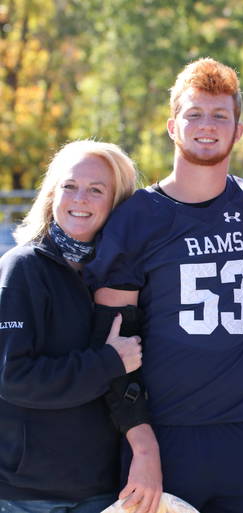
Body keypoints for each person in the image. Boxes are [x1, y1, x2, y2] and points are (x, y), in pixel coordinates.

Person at [84, 58, 243, 513]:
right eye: (195, 114)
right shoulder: (136, 218)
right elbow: (110, 346)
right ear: (172, 126)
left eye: (220, 116)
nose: (207, 126)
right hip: (165, 434)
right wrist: (143, 447)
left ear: (238, 131)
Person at [0, 140, 154, 513]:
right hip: (28, 494)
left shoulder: (120, 278)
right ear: (53, 193)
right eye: (70, 186)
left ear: (116, 202)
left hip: (102, 489)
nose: (80, 198)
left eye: (96, 190)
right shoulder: (23, 269)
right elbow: (13, 376)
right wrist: (107, 362)